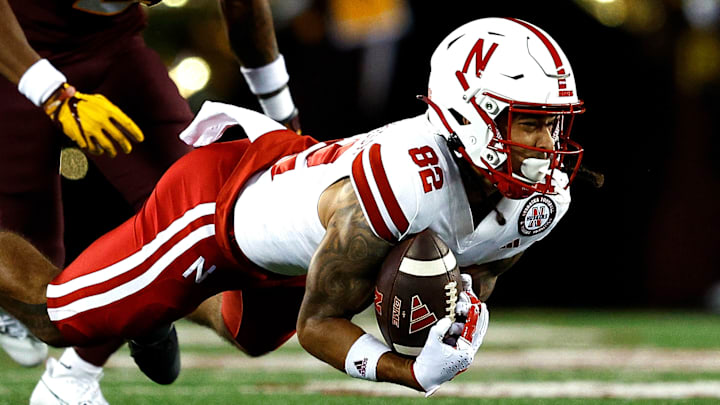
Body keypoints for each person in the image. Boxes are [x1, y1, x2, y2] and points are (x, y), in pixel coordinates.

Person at [0, 17, 584, 399]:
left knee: (249, 334)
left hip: (292, 244)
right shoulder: (403, 183)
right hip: (214, 208)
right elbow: (317, 326)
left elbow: (477, 269)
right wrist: (407, 371)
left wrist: (464, 314)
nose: (548, 145)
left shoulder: (541, 201)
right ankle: (137, 308)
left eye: (555, 123)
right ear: (469, 114)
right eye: (530, 123)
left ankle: (152, 310)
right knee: (56, 318)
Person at [0, 0, 299, 403]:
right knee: (42, 303)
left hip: (110, 46)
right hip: (11, 55)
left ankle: (74, 375)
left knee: (207, 223)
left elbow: (243, 8)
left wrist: (284, 117)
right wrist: (54, 95)